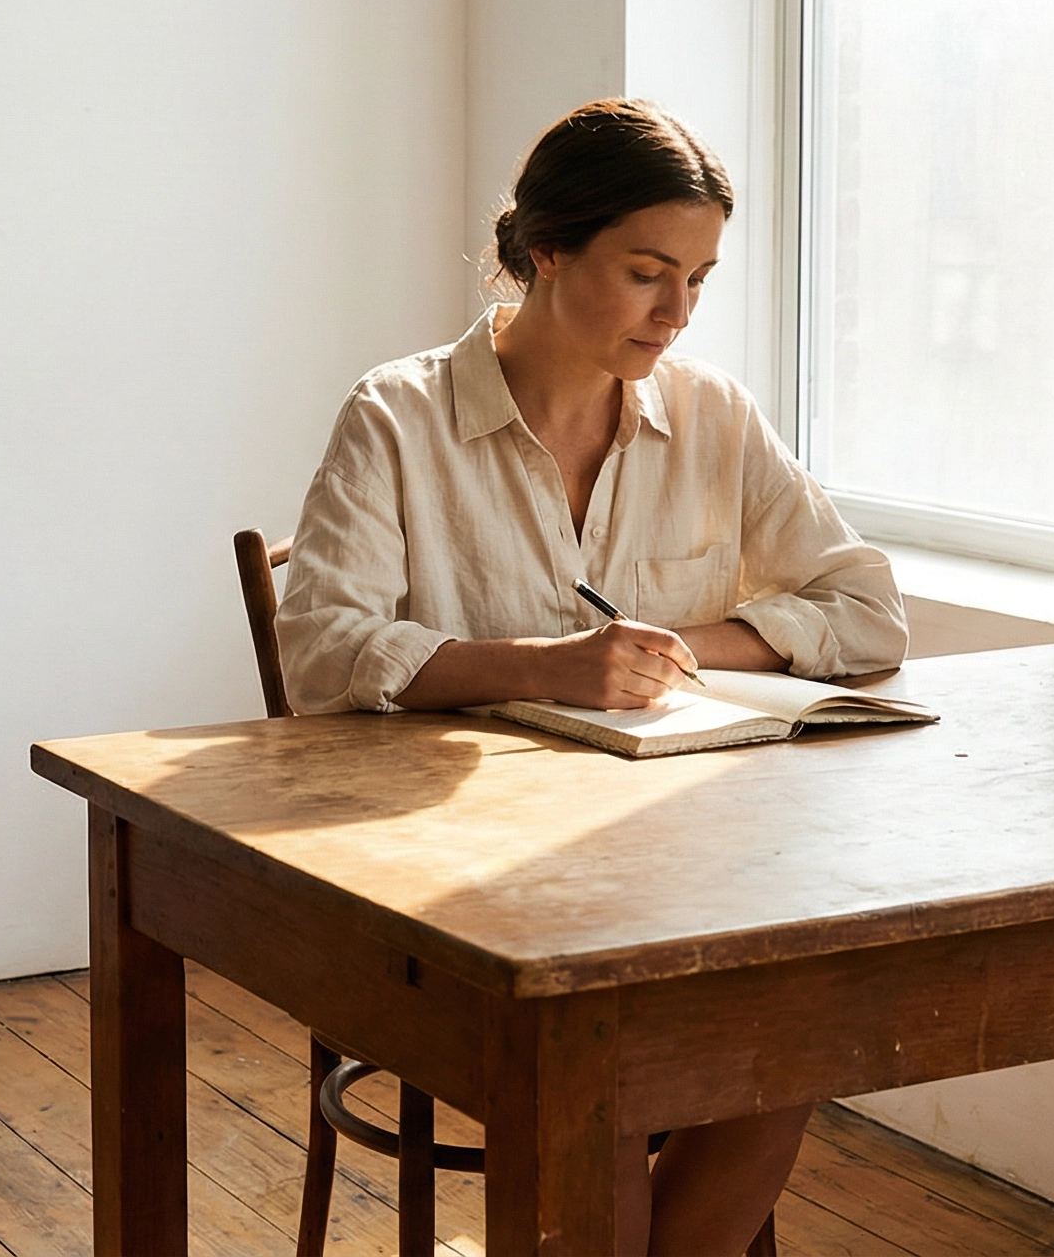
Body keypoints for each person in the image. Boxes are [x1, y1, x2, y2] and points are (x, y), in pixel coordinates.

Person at [274, 97, 905, 1254]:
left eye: (700, 279)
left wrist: (673, 647)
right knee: (610, 1047)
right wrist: (546, 667)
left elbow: (865, 611)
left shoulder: (713, 414)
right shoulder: (397, 416)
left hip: (670, 865)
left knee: (799, 1033)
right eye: (646, 272)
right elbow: (319, 651)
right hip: (445, 885)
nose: (675, 313)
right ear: (544, 251)